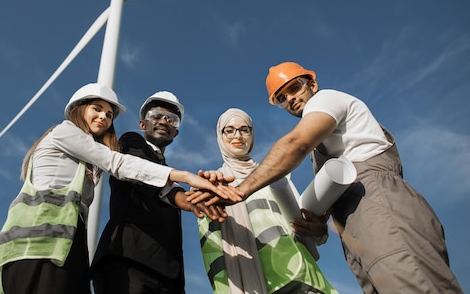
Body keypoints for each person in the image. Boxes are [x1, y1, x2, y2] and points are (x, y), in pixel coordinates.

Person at [191, 62, 463, 294]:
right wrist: (317, 224)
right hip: (356, 229)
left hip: (378, 202)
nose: (290, 100)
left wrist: (241, 190)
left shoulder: (326, 100)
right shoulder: (323, 154)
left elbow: (296, 143)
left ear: (312, 83)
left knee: (412, 282)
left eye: (294, 88)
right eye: (282, 98)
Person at [0, 83, 240, 294]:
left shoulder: (88, 159)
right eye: (96, 108)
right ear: (79, 108)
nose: (104, 116)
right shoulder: (64, 132)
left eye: (109, 114)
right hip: (37, 245)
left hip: (68, 247)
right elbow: (119, 163)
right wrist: (185, 177)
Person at [92, 91, 224, 294]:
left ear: (176, 132)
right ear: (142, 124)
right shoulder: (130, 143)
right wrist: (188, 198)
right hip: (128, 264)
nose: (164, 121)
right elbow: (145, 174)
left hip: (168, 276)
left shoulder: (170, 172)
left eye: (172, 119)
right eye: (156, 115)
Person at [197, 107, 338, 294]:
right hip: (254, 281)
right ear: (220, 136)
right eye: (229, 130)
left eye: (244, 129)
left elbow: (308, 228)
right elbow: (213, 245)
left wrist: (319, 230)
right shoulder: (214, 183)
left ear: (252, 134)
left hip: (301, 275)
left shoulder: (278, 178)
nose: (237, 135)